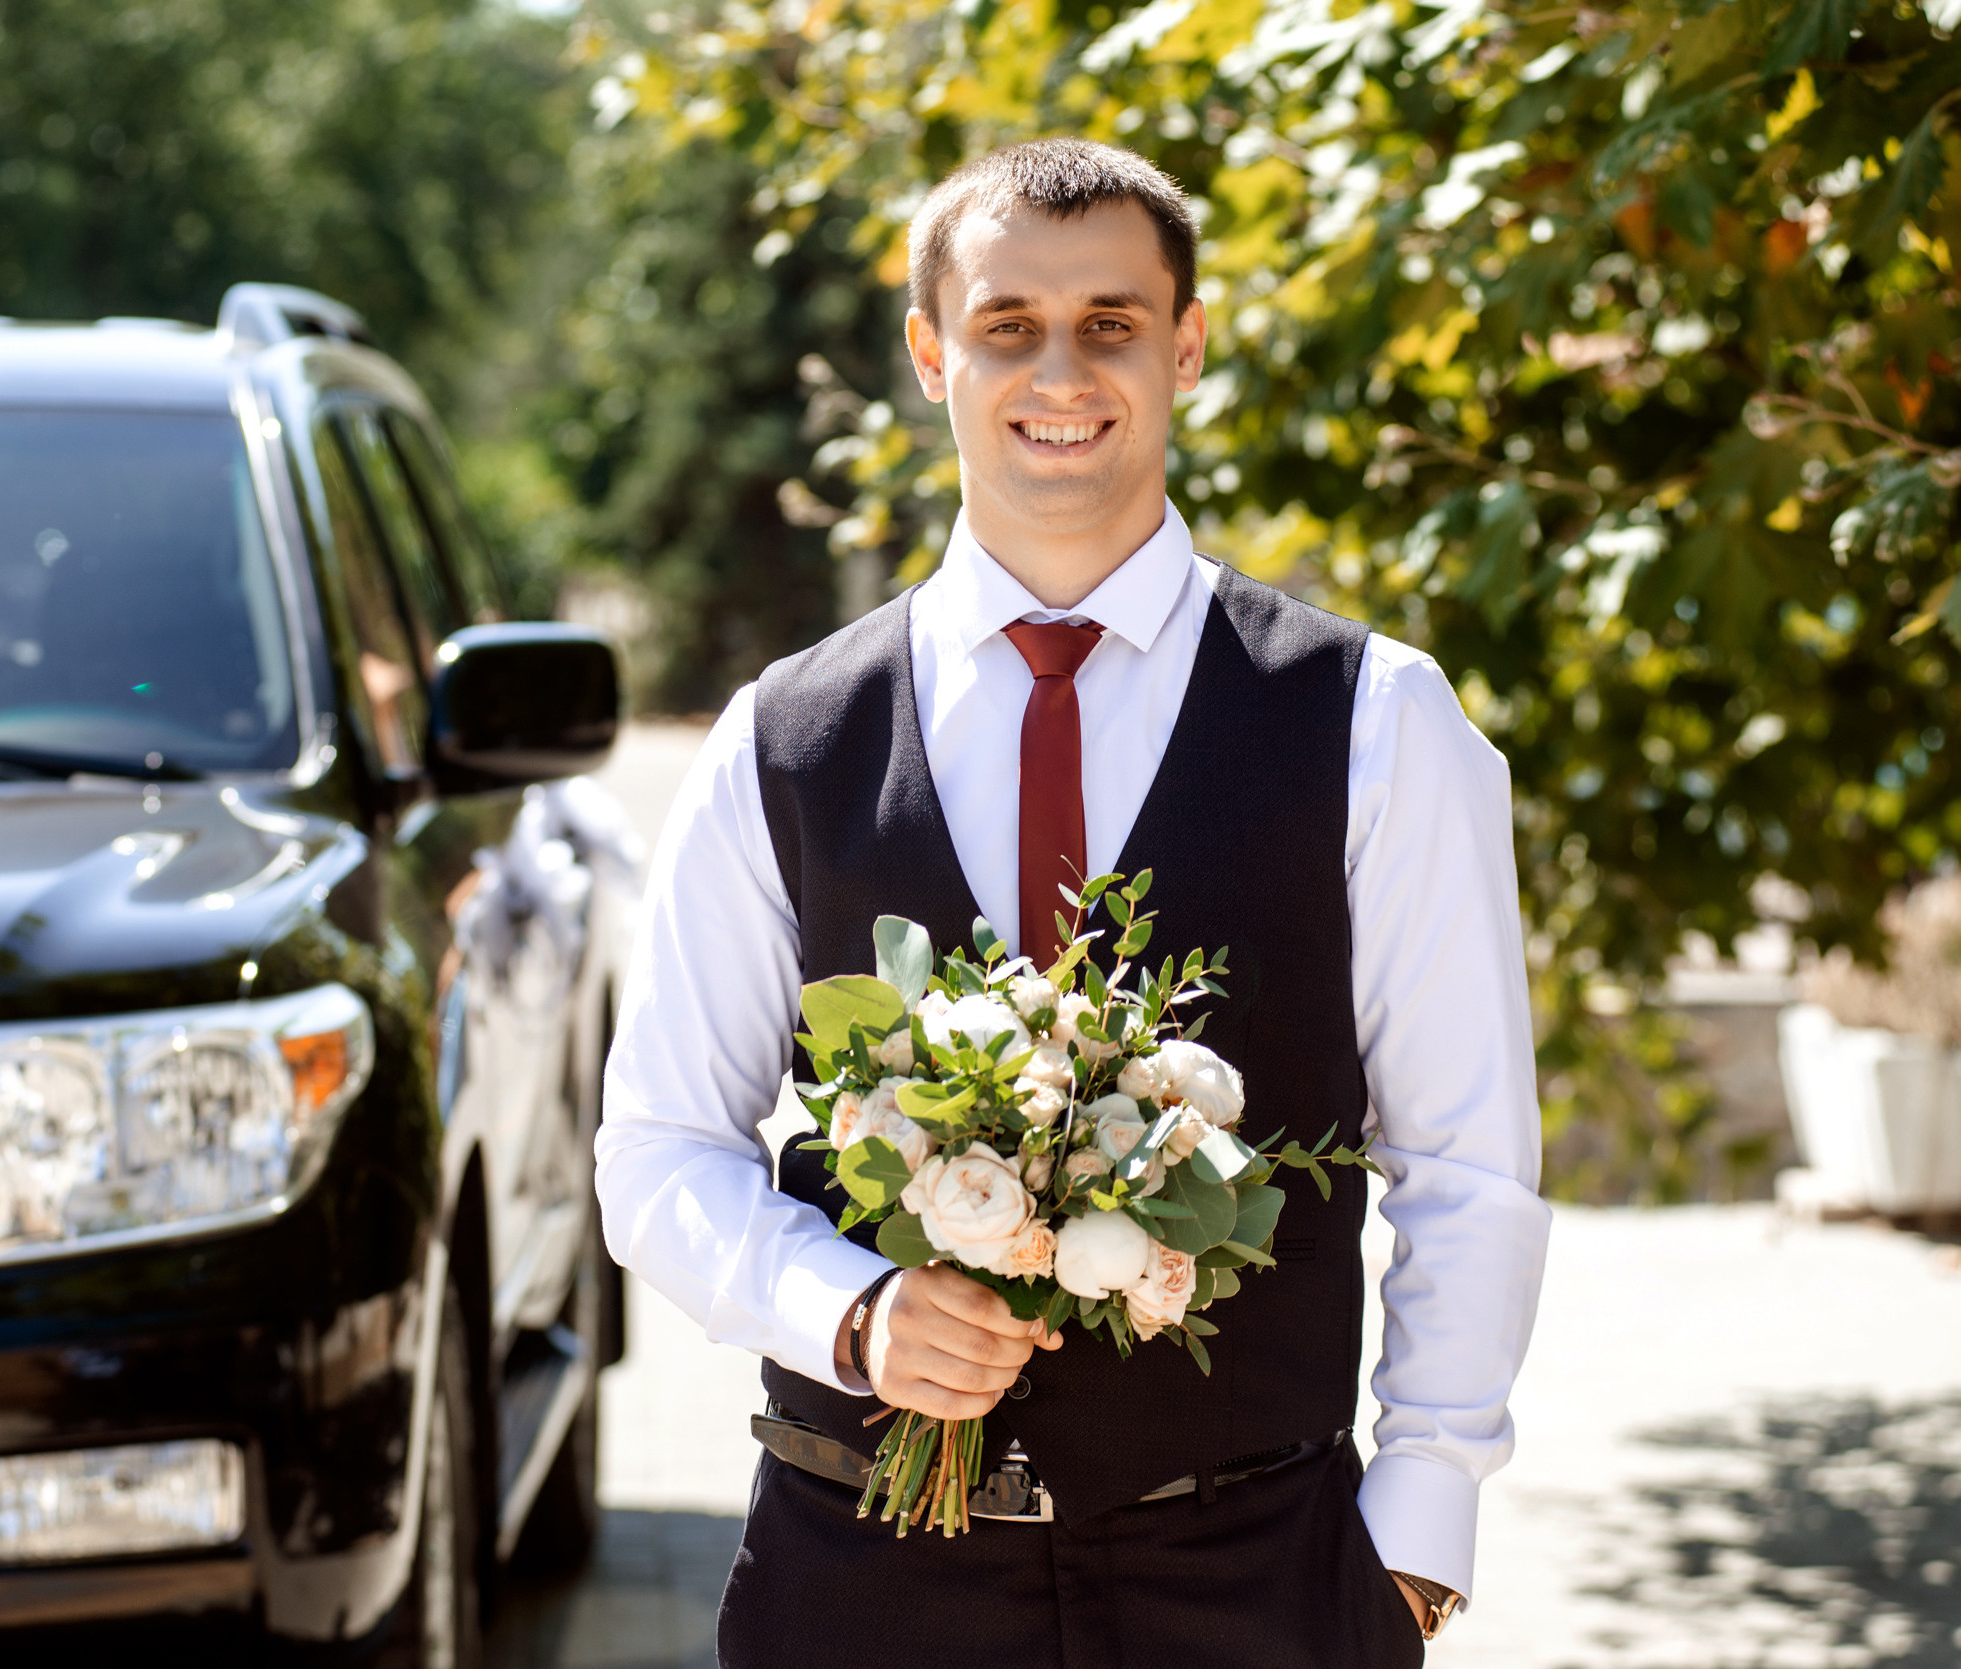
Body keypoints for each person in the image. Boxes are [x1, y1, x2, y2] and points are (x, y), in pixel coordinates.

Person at [595, 137, 1548, 1668]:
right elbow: (654, 1152)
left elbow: (1469, 1161)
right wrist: (853, 1313)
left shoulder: (1375, 718)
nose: (1061, 369)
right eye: (1007, 325)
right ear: (930, 353)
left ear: (1184, 345)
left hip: (1250, 1577)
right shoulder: (784, 738)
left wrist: (1418, 1542)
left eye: (1111, 322)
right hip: (863, 1576)